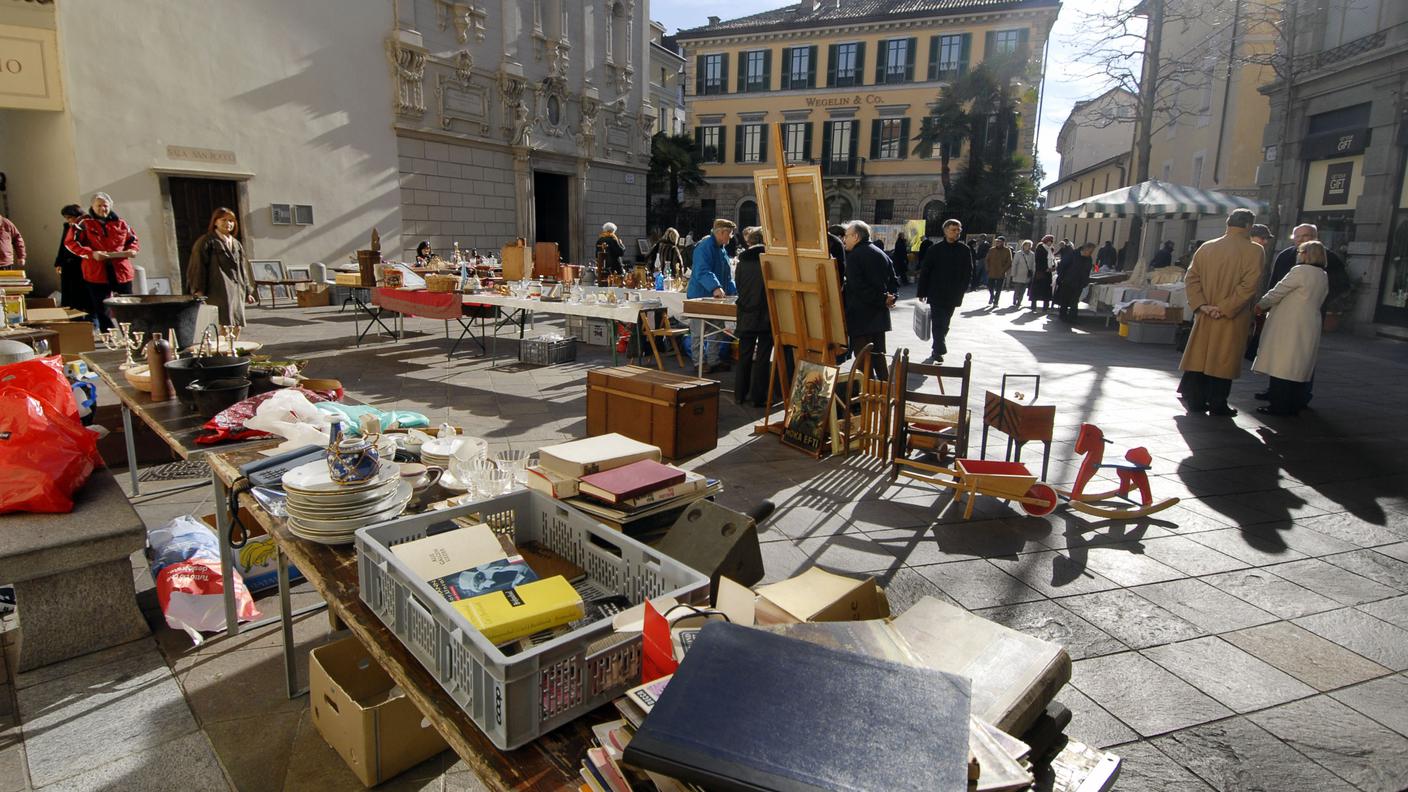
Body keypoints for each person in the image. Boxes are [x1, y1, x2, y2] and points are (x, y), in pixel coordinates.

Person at [1177, 209, 1264, 417]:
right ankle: (1218, 403)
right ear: (1248, 226)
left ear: (1228, 223)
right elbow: (1248, 286)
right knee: (1224, 360)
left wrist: (1203, 305)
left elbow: (1191, 278)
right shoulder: (1255, 250)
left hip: (1205, 314)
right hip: (1232, 316)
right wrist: (1225, 308)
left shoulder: (1207, 247)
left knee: (1201, 358)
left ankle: (1196, 401)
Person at [1252, 241, 1329, 417]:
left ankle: (1279, 405)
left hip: (1290, 323)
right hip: (1310, 322)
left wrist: (1261, 305)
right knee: (1298, 366)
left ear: (1305, 254)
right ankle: (1294, 404)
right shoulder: (1322, 274)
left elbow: (1278, 291)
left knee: (1282, 365)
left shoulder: (1300, 271)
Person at [65, 192, 140, 332]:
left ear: (110, 206)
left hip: (121, 270)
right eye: (98, 206)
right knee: (101, 306)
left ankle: (131, 334)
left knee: (127, 304)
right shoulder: (83, 223)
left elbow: (133, 240)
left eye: (105, 206)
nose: (102, 209)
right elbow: (71, 243)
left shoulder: (121, 223)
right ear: (92, 207)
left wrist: (133, 250)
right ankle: (109, 335)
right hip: (96, 271)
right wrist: (91, 254)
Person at [842, 220, 898, 382]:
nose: (844, 240)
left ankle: (864, 400)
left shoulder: (854, 256)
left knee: (862, 361)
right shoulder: (881, 253)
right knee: (879, 358)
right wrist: (890, 298)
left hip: (861, 317)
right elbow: (894, 282)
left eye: (847, 236)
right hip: (878, 317)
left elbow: (858, 287)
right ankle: (884, 395)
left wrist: (883, 299)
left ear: (856, 236)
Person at [186, 207, 256, 327]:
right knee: (222, 325)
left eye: (231, 220)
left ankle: (233, 346)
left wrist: (247, 291)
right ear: (215, 222)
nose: (228, 223)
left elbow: (242, 269)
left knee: (237, 325)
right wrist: (198, 290)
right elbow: (198, 266)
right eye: (224, 220)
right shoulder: (206, 242)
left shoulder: (236, 244)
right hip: (218, 290)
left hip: (236, 289)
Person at [916, 219, 972, 363]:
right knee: (938, 322)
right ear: (946, 230)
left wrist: (963, 289)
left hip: (953, 294)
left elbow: (968, 272)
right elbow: (926, 271)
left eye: (959, 230)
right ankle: (939, 348)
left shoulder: (964, 250)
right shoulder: (935, 249)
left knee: (945, 323)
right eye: (954, 229)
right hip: (936, 293)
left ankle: (937, 346)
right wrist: (922, 292)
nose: (957, 232)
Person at [688, 219, 738, 373]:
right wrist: (716, 287)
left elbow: (727, 277)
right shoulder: (704, 247)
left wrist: (734, 292)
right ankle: (699, 363)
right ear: (721, 232)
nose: (730, 238)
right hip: (700, 296)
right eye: (729, 234)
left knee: (717, 330)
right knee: (698, 332)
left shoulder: (720, 249)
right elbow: (702, 271)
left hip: (715, 298)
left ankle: (713, 360)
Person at [732, 226, 772, 407]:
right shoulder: (769, 261)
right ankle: (758, 397)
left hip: (746, 313)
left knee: (744, 355)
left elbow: (739, 287)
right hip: (765, 315)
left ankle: (739, 394)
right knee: (763, 357)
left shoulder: (742, 263)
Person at [54, 204, 93, 315]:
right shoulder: (68, 227)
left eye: (70, 217)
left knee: (81, 292)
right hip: (68, 264)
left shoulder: (85, 225)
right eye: (67, 218)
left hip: (81, 263)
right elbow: (63, 245)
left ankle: (83, 314)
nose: (69, 220)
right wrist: (58, 263)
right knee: (69, 293)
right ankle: (72, 314)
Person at [1055, 242, 1094, 322]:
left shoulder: (1089, 258)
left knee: (1075, 301)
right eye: (1090, 251)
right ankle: (1063, 316)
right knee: (1065, 299)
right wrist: (1061, 278)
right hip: (1068, 281)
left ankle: (1072, 318)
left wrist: (1085, 281)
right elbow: (1062, 265)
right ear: (1085, 249)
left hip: (1079, 283)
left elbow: (1087, 271)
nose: (1091, 253)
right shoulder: (1072, 254)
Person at [985, 236, 1012, 307]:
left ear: (1003, 242)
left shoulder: (1007, 250)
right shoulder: (991, 249)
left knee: (999, 288)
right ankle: (992, 296)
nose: (997, 242)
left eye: (999, 241)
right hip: (992, 271)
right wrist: (987, 268)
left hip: (1001, 272)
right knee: (990, 286)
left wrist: (1004, 270)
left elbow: (1009, 262)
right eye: (997, 241)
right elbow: (987, 260)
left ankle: (996, 302)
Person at [1011, 240, 1036, 307]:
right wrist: (1013, 273)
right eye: (1027, 245)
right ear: (1023, 246)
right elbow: (1014, 264)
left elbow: (1033, 264)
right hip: (1018, 274)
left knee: (1023, 290)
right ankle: (1015, 299)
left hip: (1027, 275)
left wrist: (1033, 272)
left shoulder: (1032, 254)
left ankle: (1019, 301)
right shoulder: (1018, 253)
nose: (1028, 247)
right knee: (1017, 289)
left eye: (1029, 245)